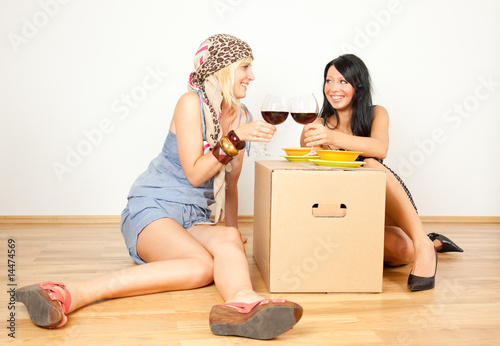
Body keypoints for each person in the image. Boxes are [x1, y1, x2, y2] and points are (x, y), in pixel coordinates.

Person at [16, 34, 303, 340]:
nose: (252, 76)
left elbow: (231, 184)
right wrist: (236, 139)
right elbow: (195, 173)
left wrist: (229, 238)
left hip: (193, 217)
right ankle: (67, 293)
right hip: (153, 206)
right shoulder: (190, 103)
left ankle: (242, 303)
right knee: (201, 267)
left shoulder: (242, 116)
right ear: (222, 67)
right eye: (245, 67)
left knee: (230, 236)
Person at [301, 54, 463, 292]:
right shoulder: (318, 123)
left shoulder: (376, 113)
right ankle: (433, 242)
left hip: (382, 202)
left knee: (371, 164)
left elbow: (380, 149)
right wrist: (312, 138)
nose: (334, 88)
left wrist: (333, 137)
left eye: (343, 81)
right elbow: (306, 162)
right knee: (402, 251)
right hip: (344, 206)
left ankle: (424, 244)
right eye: (329, 81)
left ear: (359, 85)